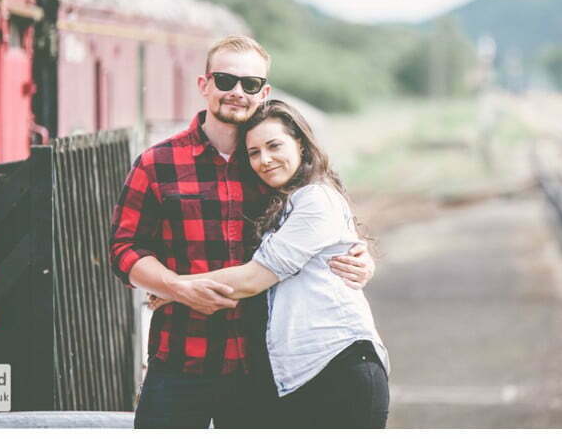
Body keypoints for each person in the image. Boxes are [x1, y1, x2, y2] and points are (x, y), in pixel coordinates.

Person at [109, 36, 375, 429]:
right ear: (204, 85)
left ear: (263, 92)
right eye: (225, 80)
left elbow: (320, 226)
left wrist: (361, 258)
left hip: (261, 366)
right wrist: (173, 286)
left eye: (250, 84)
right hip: (180, 359)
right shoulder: (156, 163)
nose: (237, 92)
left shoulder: (272, 167)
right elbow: (124, 249)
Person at [149, 99, 390, 428]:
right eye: (254, 152)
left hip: (339, 368)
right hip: (302, 376)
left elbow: (253, 279)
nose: (265, 160)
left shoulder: (316, 199)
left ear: (301, 144)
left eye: (274, 145)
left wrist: (176, 288)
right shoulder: (283, 203)